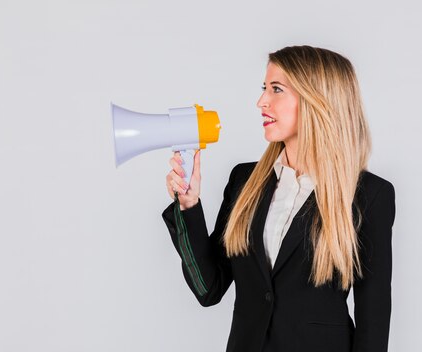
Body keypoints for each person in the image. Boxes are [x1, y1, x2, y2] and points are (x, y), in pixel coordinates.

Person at [161, 46, 396, 352]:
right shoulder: (244, 181)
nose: (261, 102)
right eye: (264, 88)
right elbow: (209, 288)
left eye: (276, 89)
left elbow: (373, 323)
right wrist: (188, 205)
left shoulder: (369, 195)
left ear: (316, 99)